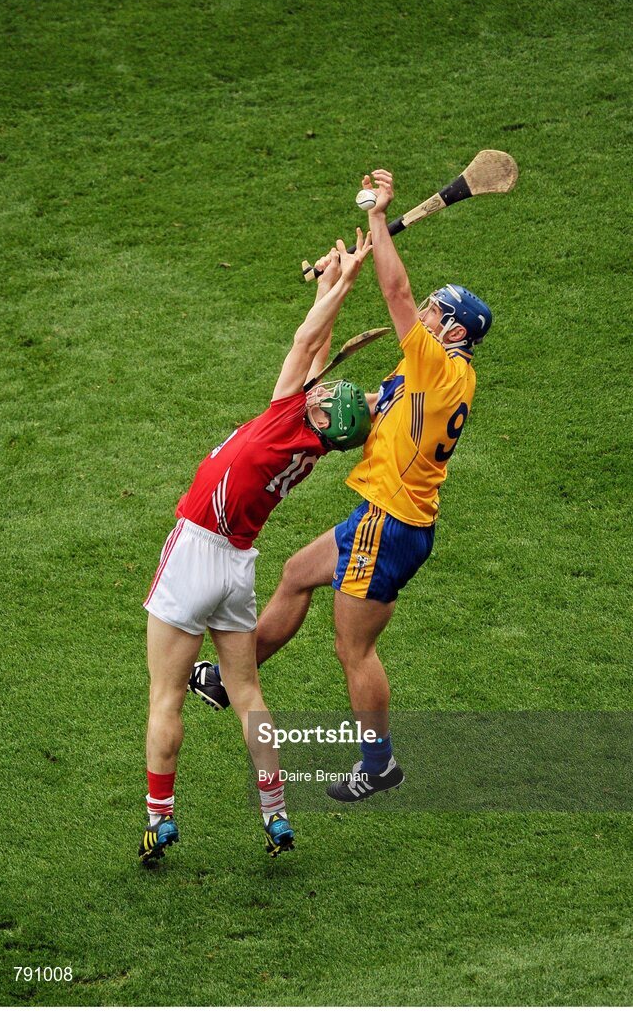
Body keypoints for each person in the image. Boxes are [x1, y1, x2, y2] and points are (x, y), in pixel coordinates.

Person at [189, 168, 493, 803]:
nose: (426, 316)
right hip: (385, 516)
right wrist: (336, 280)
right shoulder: (422, 370)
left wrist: (377, 219)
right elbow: (362, 406)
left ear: (457, 332)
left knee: (354, 649)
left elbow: (398, 289)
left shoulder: (441, 369)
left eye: (438, 314)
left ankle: (378, 764)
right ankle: (226, 680)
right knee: (299, 572)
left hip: (392, 522)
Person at [139, 230, 374, 863]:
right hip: (237, 568)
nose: (321, 391)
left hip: (193, 553)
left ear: (321, 419)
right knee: (247, 695)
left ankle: (159, 820)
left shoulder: (286, 420)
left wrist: (346, 281)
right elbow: (316, 355)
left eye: (325, 400)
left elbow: (305, 344)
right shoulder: (308, 443)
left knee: (165, 697)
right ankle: (275, 815)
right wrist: (330, 287)